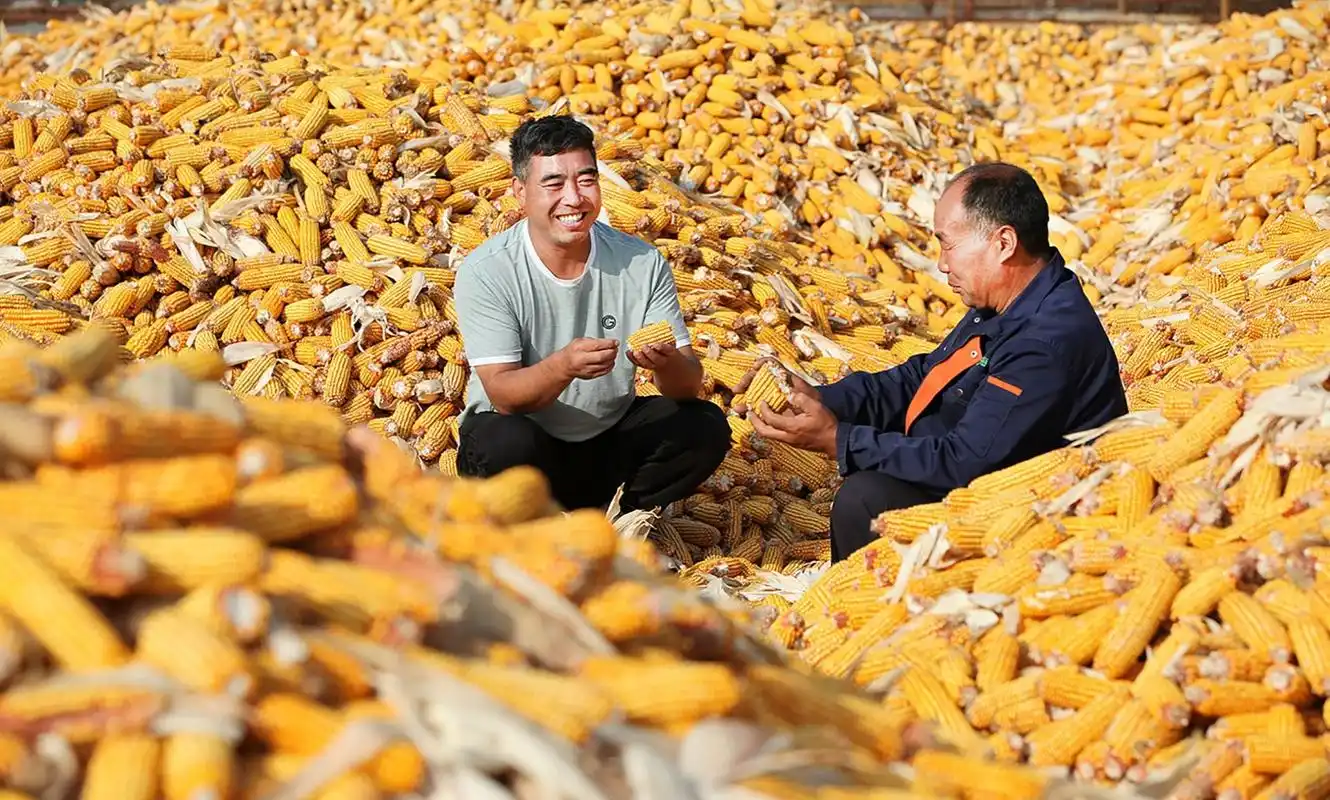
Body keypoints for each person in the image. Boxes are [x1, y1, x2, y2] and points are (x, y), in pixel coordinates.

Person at [737, 162, 1128, 562]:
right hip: (983, 479)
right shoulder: (1006, 304)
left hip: (1031, 517)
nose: (941, 264)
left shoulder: (1043, 342)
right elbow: (925, 377)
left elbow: (966, 461)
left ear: (1004, 243)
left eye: (948, 245)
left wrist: (841, 440)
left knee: (866, 500)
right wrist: (822, 398)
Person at [452, 115, 731, 513]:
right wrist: (563, 366)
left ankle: (617, 516)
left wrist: (667, 362)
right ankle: (530, 524)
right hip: (526, 444)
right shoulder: (488, 270)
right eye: (553, 183)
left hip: (605, 441)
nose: (574, 198)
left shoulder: (642, 263)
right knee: (504, 443)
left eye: (586, 180)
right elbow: (504, 395)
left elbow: (686, 386)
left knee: (703, 426)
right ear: (520, 192)